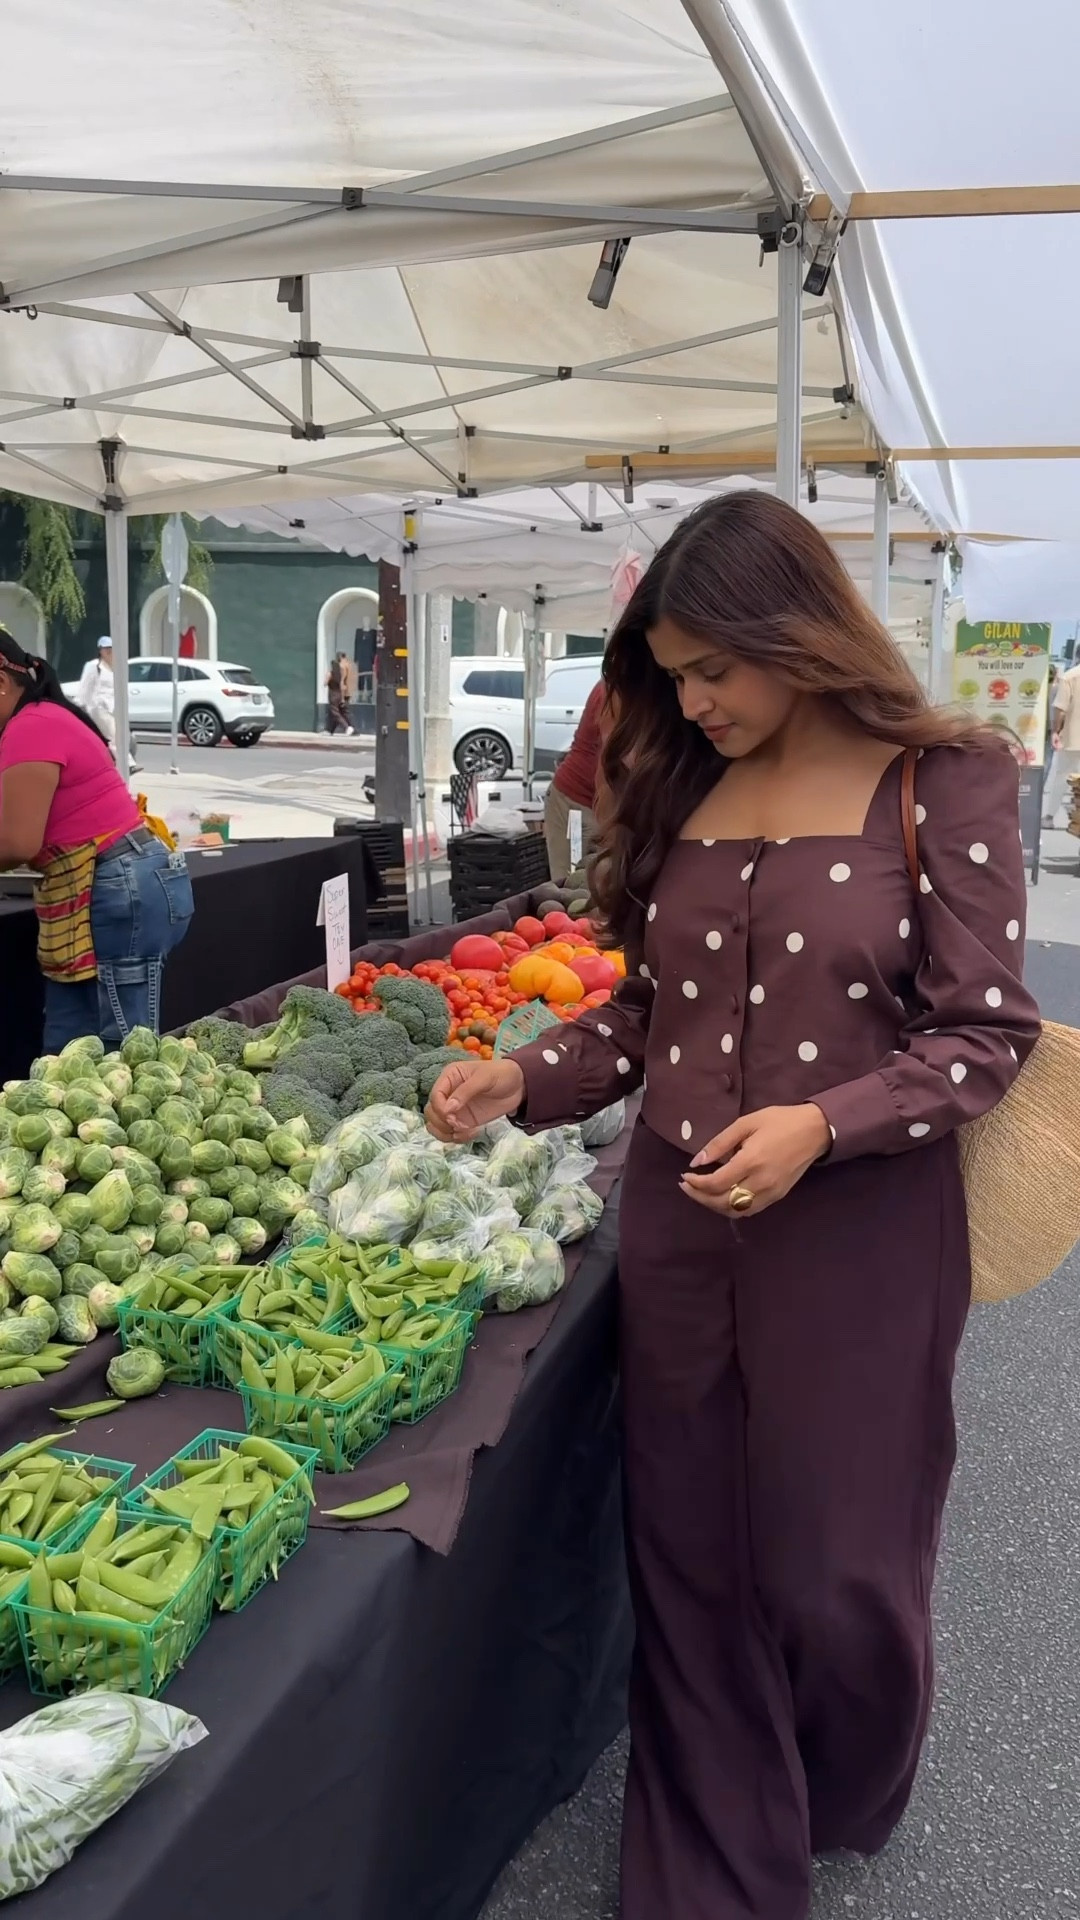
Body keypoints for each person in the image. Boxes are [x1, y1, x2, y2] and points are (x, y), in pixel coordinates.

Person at [426, 492, 1041, 1920]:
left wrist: (829, 1122)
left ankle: (841, 1769)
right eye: (673, 673)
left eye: (716, 668)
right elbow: (650, 1011)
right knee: (690, 1546)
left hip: (865, 1237)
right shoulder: (692, 779)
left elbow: (985, 1034)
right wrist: (522, 1082)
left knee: (841, 1559)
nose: (693, 702)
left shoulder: (940, 778)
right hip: (681, 1224)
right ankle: (714, 1861)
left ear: (796, 632)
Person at [0, 627, 194, 1049]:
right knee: (69, 1050)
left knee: (118, 1051)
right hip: (124, 879)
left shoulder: (30, 727)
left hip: (118, 885)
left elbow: (16, 842)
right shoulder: (41, 719)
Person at [543, 678, 606, 883]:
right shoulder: (615, 691)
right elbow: (614, 763)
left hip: (595, 804)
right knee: (572, 887)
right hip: (575, 802)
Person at [76, 636, 140, 775]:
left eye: (111, 649)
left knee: (124, 736)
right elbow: (85, 687)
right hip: (98, 707)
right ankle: (128, 765)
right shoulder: (93, 666)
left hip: (113, 708)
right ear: (100, 651)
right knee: (113, 735)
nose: (109, 652)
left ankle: (117, 764)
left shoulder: (116, 666)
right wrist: (80, 705)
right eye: (106, 649)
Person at [1042, 657, 1080, 826]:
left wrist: (1056, 731)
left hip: (1073, 736)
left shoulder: (1070, 677)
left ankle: (1050, 817)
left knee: (1063, 776)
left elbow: (1060, 709)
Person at [326, 652, 354, 736]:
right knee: (340, 711)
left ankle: (349, 727)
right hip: (346, 691)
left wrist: (343, 696)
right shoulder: (349, 665)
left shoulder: (341, 667)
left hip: (340, 692)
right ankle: (330, 729)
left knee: (338, 712)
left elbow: (341, 681)